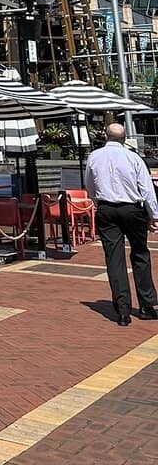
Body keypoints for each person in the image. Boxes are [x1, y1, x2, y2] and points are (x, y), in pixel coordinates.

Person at [84, 123, 158, 326]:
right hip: (132, 209)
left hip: (107, 209)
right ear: (124, 139)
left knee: (114, 258)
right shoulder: (133, 158)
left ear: (105, 137)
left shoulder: (94, 157)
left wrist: (100, 203)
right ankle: (147, 305)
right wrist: (153, 215)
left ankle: (123, 310)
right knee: (140, 253)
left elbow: (89, 186)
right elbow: (147, 188)